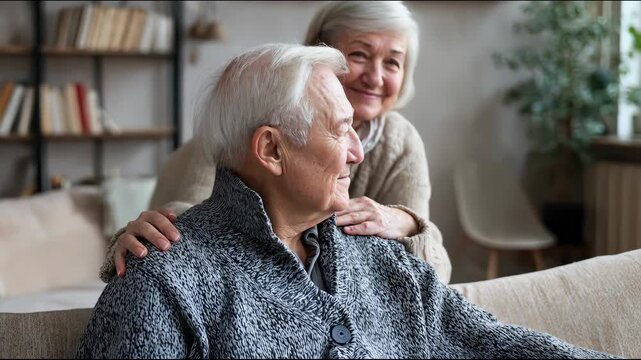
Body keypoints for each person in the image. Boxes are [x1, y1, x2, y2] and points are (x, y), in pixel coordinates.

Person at [77, 44, 616, 359]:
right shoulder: (166, 282)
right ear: (270, 149)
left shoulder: (381, 260)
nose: (359, 152)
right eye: (342, 131)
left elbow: (491, 343)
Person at [100, 1, 452, 284]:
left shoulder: (401, 141)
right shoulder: (247, 117)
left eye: (393, 62)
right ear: (319, 53)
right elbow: (193, 220)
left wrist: (404, 223)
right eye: (359, 55)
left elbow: (432, 275)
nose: (375, 77)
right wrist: (141, 239)